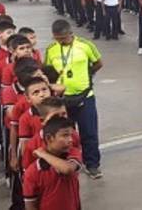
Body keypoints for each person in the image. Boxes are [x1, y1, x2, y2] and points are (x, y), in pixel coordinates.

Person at [44, 19, 103, 179]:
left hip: (85, 96)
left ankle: (92, 164)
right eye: (57, 39)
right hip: (62, 99)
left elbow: (98, 63)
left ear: (70, 33)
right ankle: (65, 163)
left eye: (63, 38)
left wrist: (87, 75)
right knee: (63, 134)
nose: (61, 42)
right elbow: (48, 71)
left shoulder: (85, 45)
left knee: (89, 132)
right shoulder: (51, 50)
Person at [22, 116, 82, 210]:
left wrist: (43, 154)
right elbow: (30, 205)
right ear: (49, 138)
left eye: (71, 135)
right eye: (65, 135)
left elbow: (68, 169)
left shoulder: (73, 153)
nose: (70, 139)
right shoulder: (33, 171)